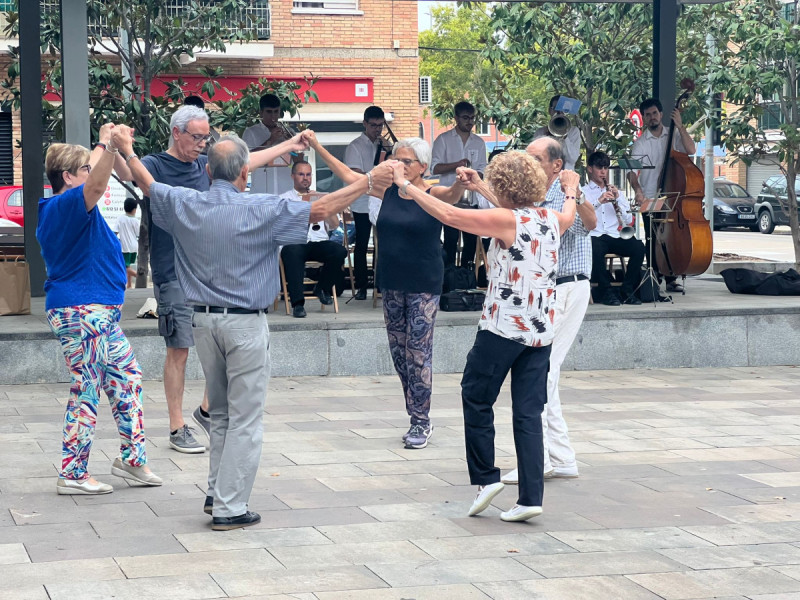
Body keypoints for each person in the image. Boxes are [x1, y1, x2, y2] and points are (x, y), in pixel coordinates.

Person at [117, 128, 394, 530]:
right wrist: (367, 183)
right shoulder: (261, 208)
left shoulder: (186, 202)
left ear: (208, 171)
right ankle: (229, 505)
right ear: (245, 172)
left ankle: (217, 492)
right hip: (244, 323)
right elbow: (320, 210)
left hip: (204, 322)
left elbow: (148, 182)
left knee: (223, 415)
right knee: (244, 418)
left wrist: (127, 149)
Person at [391, 152, 577, 521]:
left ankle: (487, 478)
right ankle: (530, 498)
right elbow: (555, 215)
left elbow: (450, 215)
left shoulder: (506, 219)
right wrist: (569, 190)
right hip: (540, 333)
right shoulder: (550, 218)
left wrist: (405, 185)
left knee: (475, 398)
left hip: (503, 331)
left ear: (505, 185)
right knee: (527, 412)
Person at [307, 132, 466, 449]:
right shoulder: (386, 190)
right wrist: (318, 147)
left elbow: (452, 196)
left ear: (421, 166)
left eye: (405, 161)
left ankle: (421, 421)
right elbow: (350, 176)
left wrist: (462, 180)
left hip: (424, 283)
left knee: (418, 353)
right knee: (400, 355)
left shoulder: (431, 192)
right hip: (391, 281)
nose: (398, 165)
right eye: (395, 159)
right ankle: (415, 410)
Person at [37, 124, 161, 495]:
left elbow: (91, 175)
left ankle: (132, 459)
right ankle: (73, 474)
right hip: (82, 312)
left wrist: (101, 143)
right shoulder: (64, 206)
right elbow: (94, 185)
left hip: (98, 313)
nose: (92, 172)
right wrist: (107, 145)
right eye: (85, 169)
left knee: (127, 378)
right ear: (68, 177)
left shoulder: (71, 205)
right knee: (87, 386)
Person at [500, 137, 596, 486]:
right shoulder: (536, 196)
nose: (530, 164)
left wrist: (577, 193)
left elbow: (589, 223)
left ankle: (539, 459)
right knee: (543, 371)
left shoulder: (565, 191)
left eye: (536, 158)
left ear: (556, 164)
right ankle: (562, 457)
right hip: (548, 290)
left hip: (568, 286)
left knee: (541, 372)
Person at [627, 97, 696, 294]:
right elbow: (632, 172)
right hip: (650, 196)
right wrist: (638, 191)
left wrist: (681, 127)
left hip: (673, 197)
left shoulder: (673, 136)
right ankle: (655, 277)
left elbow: (691, 150)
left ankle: (672, 277)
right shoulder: (640, 143)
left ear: (661, 114)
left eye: (654, 113)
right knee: (652, 239)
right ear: (644, 118)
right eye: (647, 115)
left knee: (672, 237)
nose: (652, 117)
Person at [279, 161, 346, 318]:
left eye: (308, 174)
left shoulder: (320, 197)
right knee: (292, 252)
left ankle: (322, 288)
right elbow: (280, 227)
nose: (305, 178)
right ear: (293, 176)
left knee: (339, 251)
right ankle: (297, 304)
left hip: (317, 242)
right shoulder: (284, 199)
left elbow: (334, 225)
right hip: (295, 241)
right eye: (301, 174)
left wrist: (325, 208)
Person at [431, 101, 488, 269]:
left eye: (472, 118)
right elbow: (434, 167)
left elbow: (483, 168)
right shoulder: (443, 139)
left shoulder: (479, 142)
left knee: (470, 242)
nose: (469, 122)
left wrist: (475, 176)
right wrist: (457, 165)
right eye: (465, 118)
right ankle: (449, 281)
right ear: (456, 118)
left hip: (471, 199)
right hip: (450, 199)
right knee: (450, 241)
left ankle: (465, 279)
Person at [584, 150, 645, 306]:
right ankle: (606, 291)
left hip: (613, 235)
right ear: (590, 169)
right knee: (594, 248)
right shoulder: (584, 192)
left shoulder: (617, 192)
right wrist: (598, 201)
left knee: (638, 247)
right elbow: (583, 216)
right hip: (595, 235)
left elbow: (628, 220)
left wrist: (618, 199)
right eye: (599, 167)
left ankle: (627, 288)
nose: (603, 171)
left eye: (605, 168)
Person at [344, 106, 387, 300]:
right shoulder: (355, 146)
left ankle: (379, 285)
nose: (377, 129)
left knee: (382, 244)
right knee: (361, 244)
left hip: (380, 200)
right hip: (362, 202)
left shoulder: (384, 145)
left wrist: (388, 151)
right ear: (365, 123)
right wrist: (374, 177)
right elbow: (354, 174)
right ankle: (362, 286)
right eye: (373, 125)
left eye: (380, 125)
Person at [242, 93, 296, 196]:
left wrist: (292, 144)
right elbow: (246, 160)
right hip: (261, 193)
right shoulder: (250, 132)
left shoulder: (289, 132)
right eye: (269, 112)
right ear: (261, 113)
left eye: (276, 112)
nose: (273, 116)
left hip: (285, 192)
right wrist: (271, 140)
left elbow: (298, 161)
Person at [534, 94, 583, 171]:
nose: (559, 112)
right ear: (549, 110)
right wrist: (547, 139)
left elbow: (573, 159)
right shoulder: (540, 132)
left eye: (562, 109)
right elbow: (536, 159)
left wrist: (565, 136)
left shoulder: (574, 131)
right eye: (555, 109)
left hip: (566, 178)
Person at [117, 197, 140, 289]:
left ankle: (138, 276)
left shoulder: (120, 219)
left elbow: (115, 231)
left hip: (124, 247)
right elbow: (138, 233)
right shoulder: (136, 220)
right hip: (134, 247)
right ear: (134, 209)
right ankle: (129, 284)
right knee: (128, 265)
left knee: (124, 267)